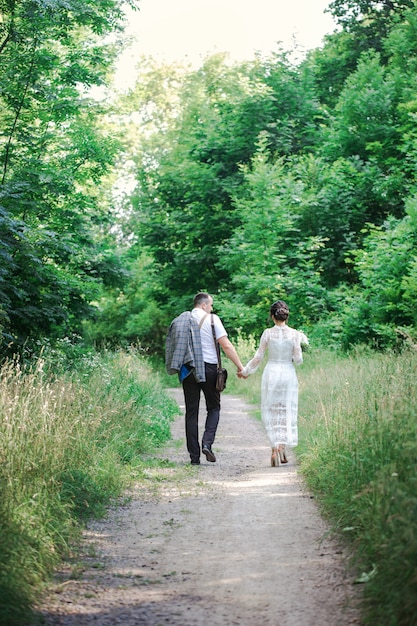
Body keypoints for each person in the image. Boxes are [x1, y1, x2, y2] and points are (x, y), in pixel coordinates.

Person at [166, 292, 244, 465]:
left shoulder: (181, 321)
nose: (211, 308)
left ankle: (194, 457)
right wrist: (240, 366)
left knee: (191, 412)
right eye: (210, 305)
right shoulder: (212, 319)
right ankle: (207, 443)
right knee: (214, 408)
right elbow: (226, 345)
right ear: (203, 305)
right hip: (209, 368)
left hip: (188, 368)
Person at [238, 300, 308, 467]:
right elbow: (298, 361)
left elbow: (258, 357)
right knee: (286, 409)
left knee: (272, 409)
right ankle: (282, 447)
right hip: (288, 374)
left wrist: (245, 371)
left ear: (272, 316)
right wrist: (300, 344)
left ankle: (275, 447)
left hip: (271, 373)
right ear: (286, 316)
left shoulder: (267, 333)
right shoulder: (295, 334)